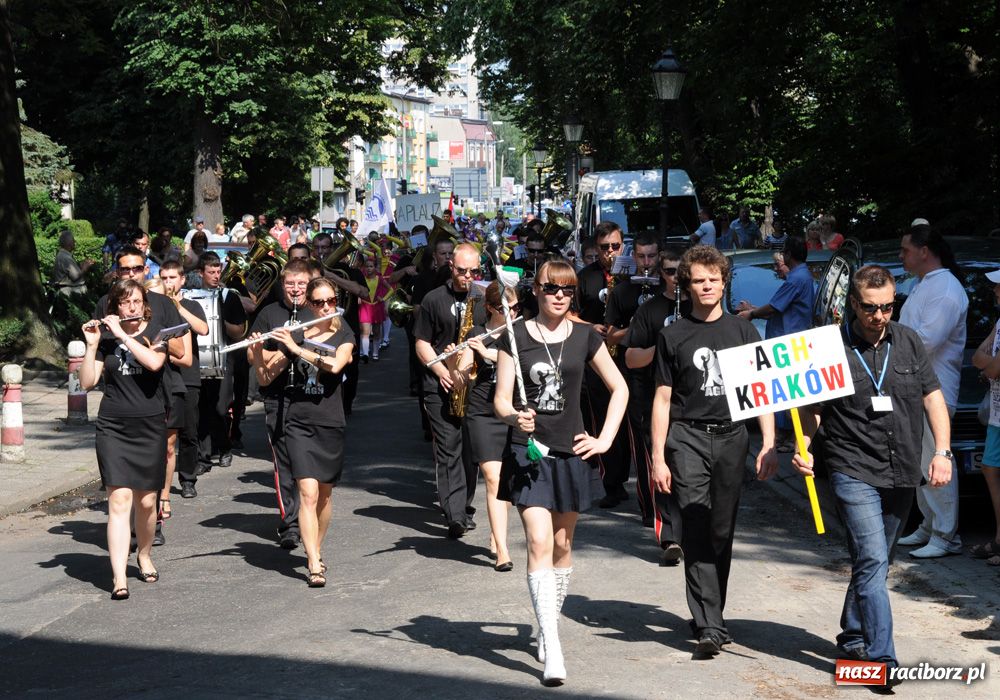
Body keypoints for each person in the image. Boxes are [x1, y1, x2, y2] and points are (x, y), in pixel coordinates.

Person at [792, 264, 951, 681]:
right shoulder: (830, 348)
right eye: (870, 308)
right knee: (873, 558)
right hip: (851, 467)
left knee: (875, 563)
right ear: (852, 304)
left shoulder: (909, 342)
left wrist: (944, 453)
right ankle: (881, 658)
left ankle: (852, 635)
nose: (879, 316)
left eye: (887, 307)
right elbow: (813, 409)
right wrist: (802, 447)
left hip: (901, 469)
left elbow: (933, 399)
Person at [494, 259, 627, 685]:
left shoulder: (586, 336)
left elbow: (619, 387)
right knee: (537, 541)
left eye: (567, 290)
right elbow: (500, 401)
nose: (559, 296)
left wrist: (604, 439)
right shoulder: (513, 337)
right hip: (528, 452)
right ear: (535, 289)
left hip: (572, 453)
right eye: (552, 288)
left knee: (563, 545)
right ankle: (552, 643)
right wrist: (516, 417)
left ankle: (545, 620)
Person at [649, 245, 778, 657]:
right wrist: (656, 457)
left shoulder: (742, 332)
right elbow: (663, 399)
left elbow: (763, 393)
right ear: (686, 285)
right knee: (696, 520)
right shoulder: (673, 335)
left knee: (721, 529)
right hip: (686, 437)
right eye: (699, 280)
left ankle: (712, 613)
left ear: (724, 282)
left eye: (714, 279)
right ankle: (708, 624)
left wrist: (770, 444)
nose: (707, 286)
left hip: (731, 437)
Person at [252, 277, 355, 586]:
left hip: (329, 420)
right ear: (309, 305)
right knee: (307, 493)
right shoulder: (297, 331)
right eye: (319, 303)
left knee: (323, 495)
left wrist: (298, 348)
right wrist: (259, 350)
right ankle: (312, 561)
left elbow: (336, 366)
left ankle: (317, 547)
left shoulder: (344, 332)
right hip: (298, 420)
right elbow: (265, 377)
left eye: (331, 302)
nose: (326, 307)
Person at [78, 280, 169, 600]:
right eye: (125, 303)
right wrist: (91, 346)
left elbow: (154, 363)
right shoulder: (104, 338)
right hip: (113, 426)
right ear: (114, 307)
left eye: (136, 302)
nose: (131, 307)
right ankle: (119, 577)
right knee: (119, 501)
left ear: (144, 304)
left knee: (146, 502)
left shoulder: (157, 330)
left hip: (150, 425)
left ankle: (143, 554)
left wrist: (123, 335)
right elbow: (87, 382)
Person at [896, 224, 967, 558]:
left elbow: (926, 341)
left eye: (905, 250)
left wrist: (889, 347)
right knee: (921, 461)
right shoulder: (924, 284)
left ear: (924, 251)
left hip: (935, 389)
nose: (901, 256)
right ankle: (928, 525)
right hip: (915, 387)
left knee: (938, 460)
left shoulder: (947, 289)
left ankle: (946, 535)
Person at [413, 243, 486, 538]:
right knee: (448, 448)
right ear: (451, 267)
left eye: (473, 271)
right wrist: (441, 371)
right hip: (438, 384)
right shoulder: (433, 299)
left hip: (475, 385)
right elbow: (421, 342)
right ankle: (454, 514)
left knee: (471, 451)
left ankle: (464, 505)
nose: (466, 276)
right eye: (461, 270)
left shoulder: (482, 299)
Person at [624, 247, 689, 564]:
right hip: (653, 398)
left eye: (681, 271)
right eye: (670, 271)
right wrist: (662, 343)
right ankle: (670, 537)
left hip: (692, 403)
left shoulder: (703, 309)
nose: (676, 278)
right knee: (659, 466)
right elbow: (631, 358)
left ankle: (690, 528)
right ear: (661, 274)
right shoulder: (649, 310)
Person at [249, 258, 316, 549]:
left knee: (309, 464)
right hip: (277, 396)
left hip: (310, 396)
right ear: (283, 286)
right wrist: (257, 351)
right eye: (291, 284)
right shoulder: (269, 313)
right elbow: (254, 357)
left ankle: (308, 516)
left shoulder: (316, 312)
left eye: (301, 284)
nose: (296, 289)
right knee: (284, 463)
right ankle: (290, 523)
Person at [460, 282, 520, 571]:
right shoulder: (475, 334)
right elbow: (462, 373)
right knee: (493, 478)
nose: (511, 313)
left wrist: (487, 353)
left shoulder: (520, 333)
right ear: (491, 308)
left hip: (511, 410)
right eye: (505, 309)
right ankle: (503, 551)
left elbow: (518, 362)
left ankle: (497, 534)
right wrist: (457, 358)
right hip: (483, 412)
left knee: (507, 480)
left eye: (515, 308)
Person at [736, 236, 816, 452]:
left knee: (788, 391)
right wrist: (753, 308)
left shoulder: (796, 279)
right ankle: (785, 435)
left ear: (788, 254)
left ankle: (790, 436)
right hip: (787, 338)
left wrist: (751, 313)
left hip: (789, 342)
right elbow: (779, 308)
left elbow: (773, 308)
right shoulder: (801, 277)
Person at [576, 221, 631, 507]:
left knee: (627, 423)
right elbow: (570, 314)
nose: (610, 252)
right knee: (599, 418)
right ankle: (608, 482)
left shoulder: (633, 276)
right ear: (595, 249)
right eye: (604, 247)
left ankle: (622, 477)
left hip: (628, 356)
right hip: (596, 357)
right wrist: (590, 326)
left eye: (615, 246)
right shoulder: (585, 276)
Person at [193, 252, 247, 482]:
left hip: (224, 356)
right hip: (198, 357)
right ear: (200, 273)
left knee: (220, 408)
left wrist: (219, 315)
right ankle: (203, 458)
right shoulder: (191, 296)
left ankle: (224, 447)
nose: (216, 276)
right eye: (211, 272)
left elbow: (239, 331)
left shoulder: (228, 296)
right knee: (200, 408)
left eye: (218, 272)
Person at [158, 261, 208, 512]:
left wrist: (179, 308)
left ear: (182, 280)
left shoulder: (191, 304)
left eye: (172, 278)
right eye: (164, 278)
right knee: (164, 436)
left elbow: (203, 329)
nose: (169, 283)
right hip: (163, 376)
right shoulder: (155, 306)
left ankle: (187, 478)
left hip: (187, 376)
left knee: (189, 431)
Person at [971, 269, 1000, 566]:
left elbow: (989, 368)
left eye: (999, 286)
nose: (994, 291)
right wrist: (991, 363)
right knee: (990, 468)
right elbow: (977, 357)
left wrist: (990, 365)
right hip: (997, 412)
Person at [359, 255, 390, 362]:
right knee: (365, 332)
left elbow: (390, 289)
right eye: (367, 266)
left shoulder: (379, 278)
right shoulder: (361, 278)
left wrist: (383, 298)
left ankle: (375, 353)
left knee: (377, 332)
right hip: (365, 306)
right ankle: (366, 353)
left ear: (375, 267)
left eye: (371, 266)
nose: (368, 268)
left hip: (377, 307)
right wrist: (359, 297)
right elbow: (357, 290)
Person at [52, 230, 94, 296]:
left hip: (69, 292)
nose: (75, 242)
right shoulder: (65, 257)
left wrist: (80, 266)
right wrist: (86, 267)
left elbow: (70, 272)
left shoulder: (63, 254)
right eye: (73, 240)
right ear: (69, 243)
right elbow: (75, 277)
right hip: (70, 294)